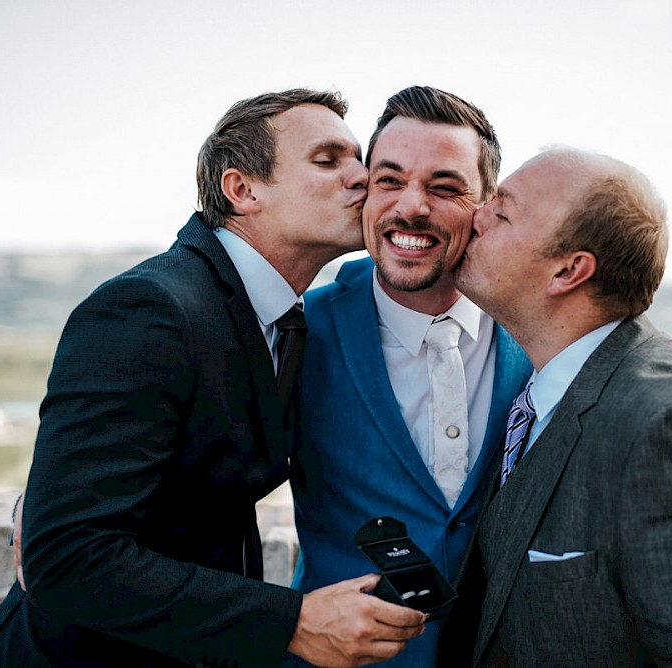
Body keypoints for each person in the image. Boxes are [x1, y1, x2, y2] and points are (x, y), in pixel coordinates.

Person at [0, 88, 425, 668]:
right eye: (327, 159)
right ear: (242, 190)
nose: (361, 177)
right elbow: (65, 558)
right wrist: (293, 623)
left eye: (359, 158)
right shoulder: (150, 309)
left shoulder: (283, 322)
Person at [437, 147, 672, 666]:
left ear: (568, 271)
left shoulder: (669, 426)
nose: (476, 215)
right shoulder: (543, 386)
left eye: (502, 210)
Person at [286, 87, 531, 667]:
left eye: (445, 187)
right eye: (389, 180)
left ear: (486, 204)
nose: (411, 207)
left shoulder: (540, 333)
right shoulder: (298, 330)